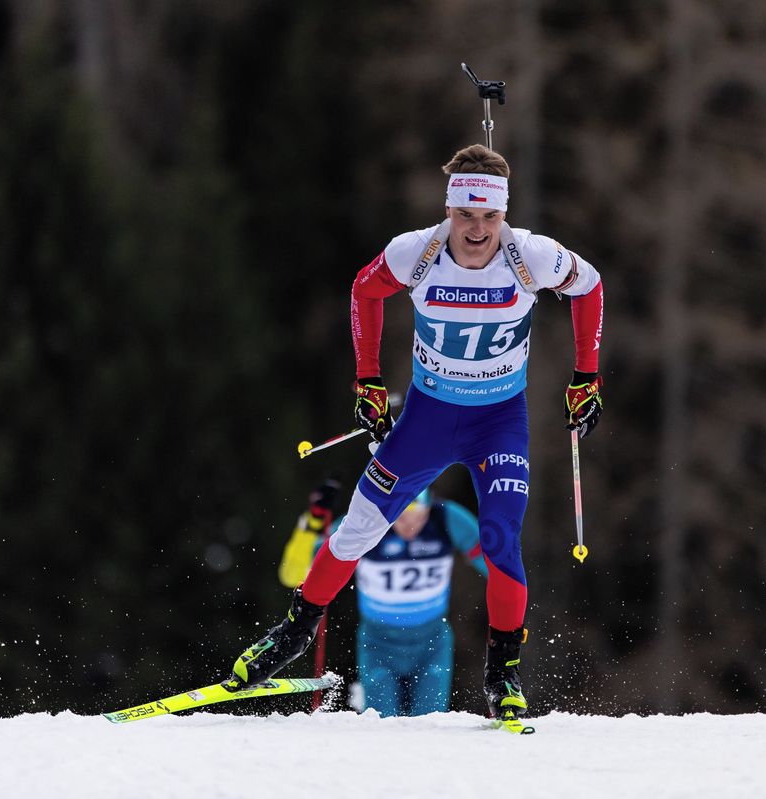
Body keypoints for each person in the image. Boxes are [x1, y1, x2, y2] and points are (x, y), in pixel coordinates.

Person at [230, 144, 605, 725]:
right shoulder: (417, 253)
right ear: (448, 210)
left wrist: (586, 376)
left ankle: (503, 673)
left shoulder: (532, 256)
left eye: (490, 216)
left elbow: (590, 286)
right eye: (465, 215)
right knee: (358, 527)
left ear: (504, 214)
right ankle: (293, 633)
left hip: (498, 422)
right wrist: (367, 380)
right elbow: (364, 289)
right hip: (428, 419)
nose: (477, 230)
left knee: (501, 539)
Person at [278, 478, 487, 716]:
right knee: (382, 722)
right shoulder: (367, 522)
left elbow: (498, 567)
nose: (410, 527)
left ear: (429, 505)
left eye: (418, 517)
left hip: (431, 643)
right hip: (379, 643)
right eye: (402, 517)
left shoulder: (446, 518)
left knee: (430, 722)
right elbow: (292, 574)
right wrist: (314, 521)